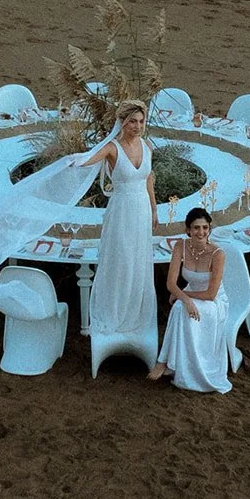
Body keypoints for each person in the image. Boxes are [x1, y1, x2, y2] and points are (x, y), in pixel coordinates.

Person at [79, 99, 158, 335]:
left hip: (142, 210)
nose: (138, 126)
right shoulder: (112, 148)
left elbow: (148, 179)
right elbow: (87, 160)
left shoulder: (147, 146)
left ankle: (134, 312)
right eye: (132, 121)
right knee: (121, 259)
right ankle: (115, 312)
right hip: (121, 211)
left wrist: (154, 209)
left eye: (141, 121)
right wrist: (71, 162)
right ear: (122, 122)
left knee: (138, 260)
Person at [148, 206, 232, 393]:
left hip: (214, 301)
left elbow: (211, 294)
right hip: (191, 293)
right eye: (196, 228)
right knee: (180, 307)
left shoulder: (218, 254)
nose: (201, 232)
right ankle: (168, 362)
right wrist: (185, 298)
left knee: (180, 308)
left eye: (205, 227)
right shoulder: (181, 246)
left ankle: (168, 362)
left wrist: (184, 296)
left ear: (209, 229)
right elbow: (170, 283)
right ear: (188, 230)